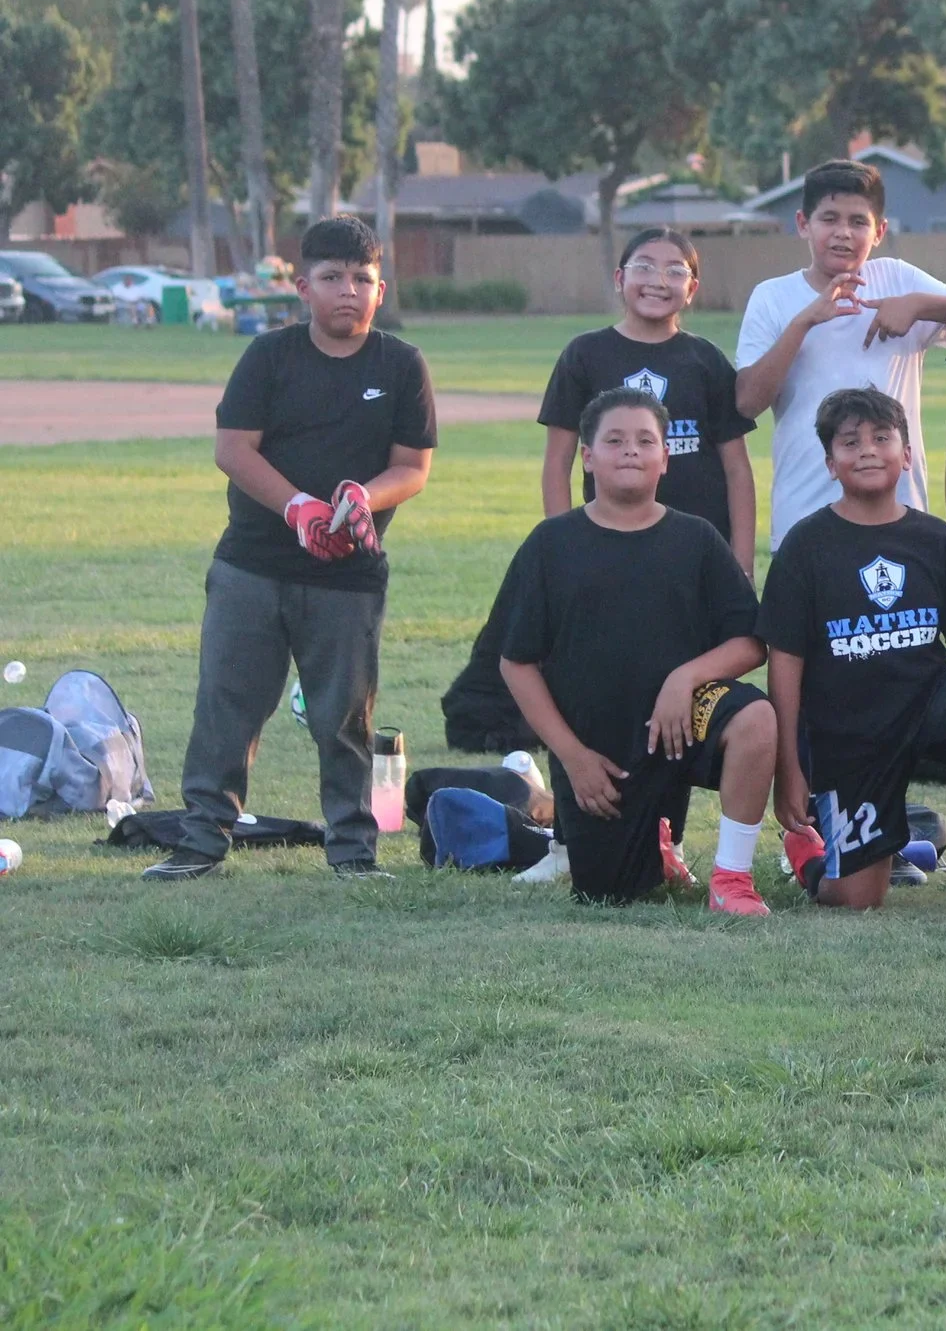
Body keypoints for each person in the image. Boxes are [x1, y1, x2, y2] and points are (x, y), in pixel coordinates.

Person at [145, 217, 436, 882]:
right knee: (227, 706)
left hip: (347, 574)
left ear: (381, 288)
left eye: (361, 279)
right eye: (332, 277)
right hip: (253, 563)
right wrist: (297, 506)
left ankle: (354, 850)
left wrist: (362, 496)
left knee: (344, 717)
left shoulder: (401, 364)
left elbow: (412, 466)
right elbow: (232, 449)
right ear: (303, 287)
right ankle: (201, 840)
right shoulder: (269, 357)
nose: (347, 290)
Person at [758, 389, 946, 923]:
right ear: (830, 463)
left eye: (881, 438)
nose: (867, 450)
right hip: (850, 731)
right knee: (858, 898)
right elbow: (784, 665)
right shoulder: (805, 546)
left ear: (906, 454)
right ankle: (811, 857)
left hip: (928, 701)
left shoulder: (934, 538)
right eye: (850, 443)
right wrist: (789, 768)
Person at [498, 389, 781, 912]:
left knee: (756, 717)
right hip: (602, 752)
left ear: (665, 457)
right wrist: (574, 757)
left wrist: (685, 679)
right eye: (615, 440)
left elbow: (750, 642)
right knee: (609, 893)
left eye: (645, 440)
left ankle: (732, 878)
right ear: (587, 457)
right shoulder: (551, 544)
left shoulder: (696, 539)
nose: (631, 450)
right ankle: (654, 847)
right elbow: (516, 663)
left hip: (683, 721)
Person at [736, 159, 946, 550]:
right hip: (804, 515)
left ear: (879, 231)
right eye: (829, 219)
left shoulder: (897, 278)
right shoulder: (773, 297)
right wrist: (803, 323)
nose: (843, 233)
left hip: (900, 514)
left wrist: (918, 305)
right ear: (803, 223)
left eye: (858, 222)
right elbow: (747, 403)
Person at [539, 226, 756, 573]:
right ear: (619, 278)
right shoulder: (584, 355)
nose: (658, 280)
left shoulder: (707, 360)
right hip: (608, 543)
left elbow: (737, 469)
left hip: (699, 549)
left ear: (692, 289)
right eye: (644, 267)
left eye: (675, 271)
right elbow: (557, 463)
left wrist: (742, 565)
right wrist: (563, 549)